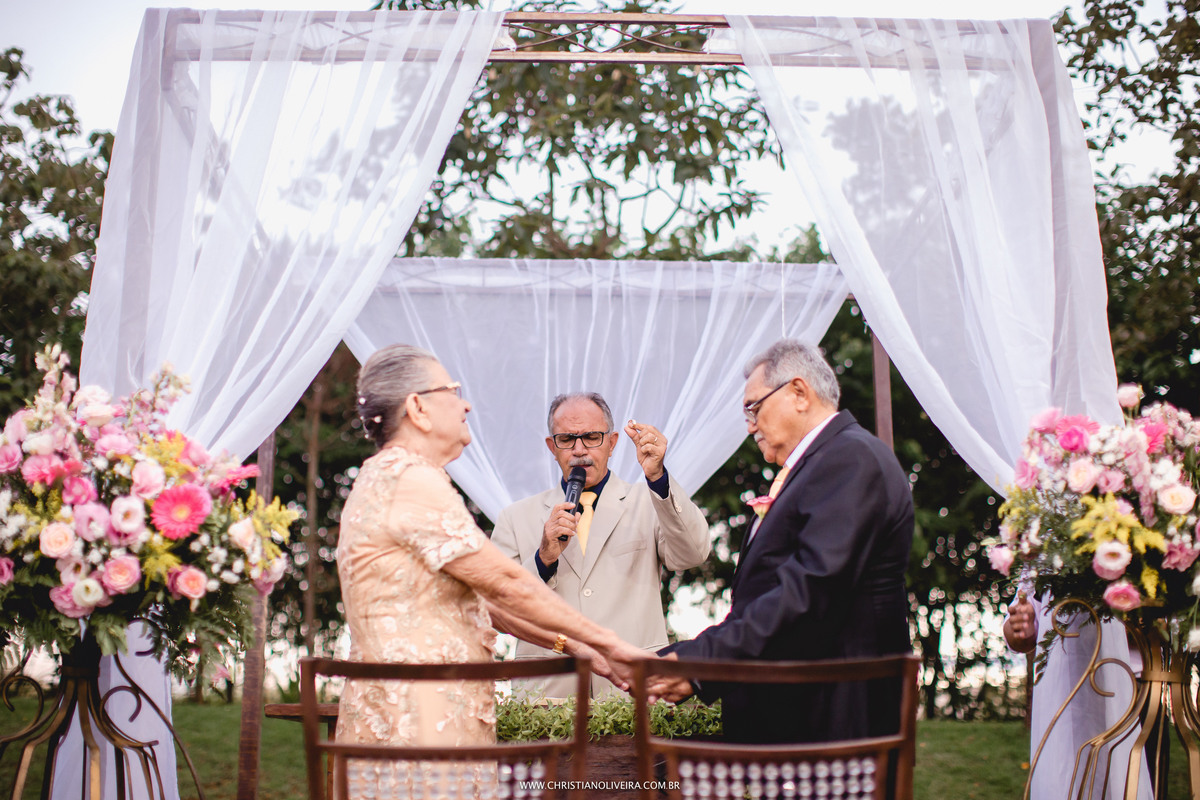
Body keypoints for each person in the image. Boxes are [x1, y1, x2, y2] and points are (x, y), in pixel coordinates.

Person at [335, 345, 645, 799]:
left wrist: (580, 650)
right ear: (418, 407)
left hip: (432, 720)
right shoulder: (408, 479)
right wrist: (615, 645)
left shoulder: (398, 476)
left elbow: (489, 606)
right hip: (416, 728)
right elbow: (505, 582)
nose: (466, 404)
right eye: (452, 391)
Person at [648, 338, 914, 744]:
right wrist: (688, 657)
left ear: (799, 393)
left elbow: (809, 593)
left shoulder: (851, 459)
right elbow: (764, 597)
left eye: (753, 407)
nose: (750, 424)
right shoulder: (821, 464)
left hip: (835, 726)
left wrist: (701, 663)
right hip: (794, 717)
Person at [490, 392, 710, 698]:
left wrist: (658, 477)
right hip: (547, 699)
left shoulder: (648, 501)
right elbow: (496, 610)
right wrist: (542, 560)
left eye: (591, 437)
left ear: (612, 441)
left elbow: (694, 554)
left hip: (634, 692)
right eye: (567, 439)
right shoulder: (515, 518)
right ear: (552, 447)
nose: (579, 450)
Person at [1005, 591, 1153, 800]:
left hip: (1133, 689)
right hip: (1059, 694)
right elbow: (1020, 630)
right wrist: (1021, 622)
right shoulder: (1041, 559)